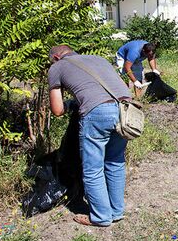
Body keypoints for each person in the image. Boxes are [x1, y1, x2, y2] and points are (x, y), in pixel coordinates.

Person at [47, 44, 132, 227]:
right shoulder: (98, 59)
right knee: (115, 162)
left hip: (98, 112)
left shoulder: (57, 67)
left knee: (93, 169)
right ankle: (116, 212)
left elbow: (57, 110)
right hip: (125, 110)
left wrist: (70, 104)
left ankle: (101, 217)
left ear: (55, 58)